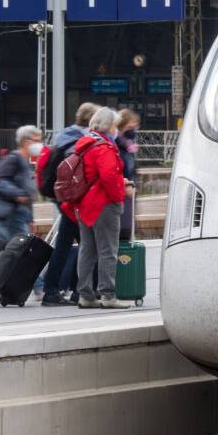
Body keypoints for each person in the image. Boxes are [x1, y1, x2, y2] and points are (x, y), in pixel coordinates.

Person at [69, 107, 131, 309]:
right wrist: (119, 195)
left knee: (87, 250)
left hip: (84, 204)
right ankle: (108, 295)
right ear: (109, 125)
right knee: (108, 250)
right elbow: (108, 176)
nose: (116, 129)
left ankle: (85, 295)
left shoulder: (85, 143)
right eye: (115, 125)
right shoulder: (104, 147)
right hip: (103, 204)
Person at [39, 102, 99, 306]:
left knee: (68, 246)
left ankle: (58, 290)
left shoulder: (62, 136)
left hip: (63, 198)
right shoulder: (83, 141)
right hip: (77, 200)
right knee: (85, 247)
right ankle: (69, 290)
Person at [0, 125, 43, 241]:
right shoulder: (13, 159)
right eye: (37, 141)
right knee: (18, 248)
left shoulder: (25, 162)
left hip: (18, 214)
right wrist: (18, 194)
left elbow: (28, 190)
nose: (40, 144)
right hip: (10, 214)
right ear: (26, 141)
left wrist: (30, 219)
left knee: (13, 248)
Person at [114, 109, 140, 182]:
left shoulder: (129, 145)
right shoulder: (115, 146)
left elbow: (132, 169)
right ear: (121, 126)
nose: (132, 131)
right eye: (129, 127)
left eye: (135, 128)